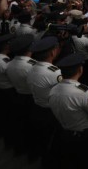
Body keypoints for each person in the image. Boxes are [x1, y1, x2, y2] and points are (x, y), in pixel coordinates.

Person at [49, 52, 88, 169]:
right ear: (80, 70)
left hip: (64, 133)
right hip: (85, 136)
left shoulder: (53, 90)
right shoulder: (83, 92)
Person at [27, 36, 62, 165]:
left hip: (36, 107)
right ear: (53, 52)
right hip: (50, 112)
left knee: (42, 139)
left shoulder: (31, 67)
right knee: (52, 143)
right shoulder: (54, 72)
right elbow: (61, 91)